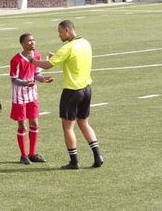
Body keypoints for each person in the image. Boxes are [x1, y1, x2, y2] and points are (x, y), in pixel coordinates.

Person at [28, 20, 103, 169]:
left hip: (72, 91)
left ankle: (74, 162)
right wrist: (56, 56)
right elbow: (73, 59)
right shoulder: (85, 43)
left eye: (60, 32)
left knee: (68, 127)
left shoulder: (67, 47)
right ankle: (98, 155)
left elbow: (48, 65)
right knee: (84, 123)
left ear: (67, 30)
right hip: (86, 89)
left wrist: (32, 61)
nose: (59, 35)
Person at [10, 33, 54, 165]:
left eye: (33, 40)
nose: (32, 42)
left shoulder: (37, 56)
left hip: (32, 95)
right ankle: (23, 155)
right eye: (29, 41)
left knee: (34, 124)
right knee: (22, 125)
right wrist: (25, 83)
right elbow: (14, 79)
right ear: (22, 44)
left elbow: (37, 74)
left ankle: (32, 153)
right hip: (19, 96)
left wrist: (43, 79)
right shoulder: (16, 60)